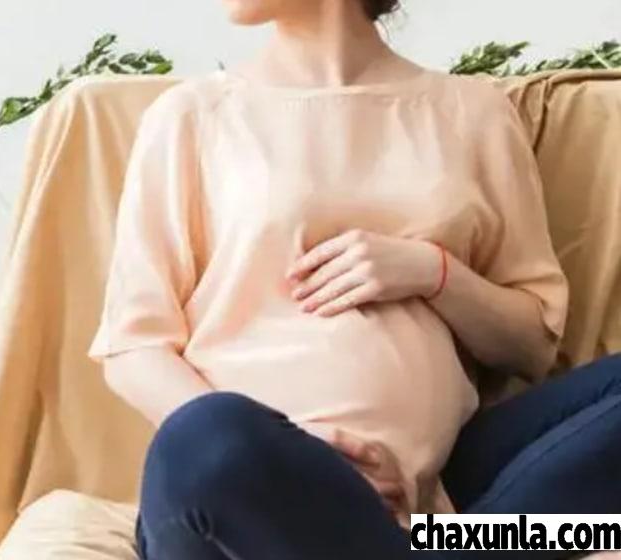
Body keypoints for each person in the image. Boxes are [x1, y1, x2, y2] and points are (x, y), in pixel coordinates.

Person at [87, 0, 621, 557]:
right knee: (204, 436)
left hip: (428, 492)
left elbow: (531, 345)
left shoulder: (472, 113)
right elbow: (134, 346)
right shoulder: (192, 116)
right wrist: (298, 457)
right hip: (240, 487)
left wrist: (432, 273)